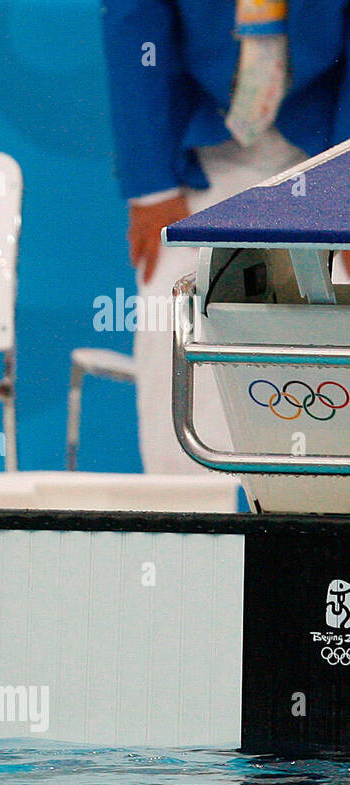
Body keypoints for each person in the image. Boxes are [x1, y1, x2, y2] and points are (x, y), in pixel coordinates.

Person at [101, 0, 350, 474]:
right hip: (207, 157)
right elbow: (134, 27)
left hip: (326, 144)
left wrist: (344, 189)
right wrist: (153, 191)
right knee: (173, 310)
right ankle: (183, 516)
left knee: (340, 308)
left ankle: (328, 518)